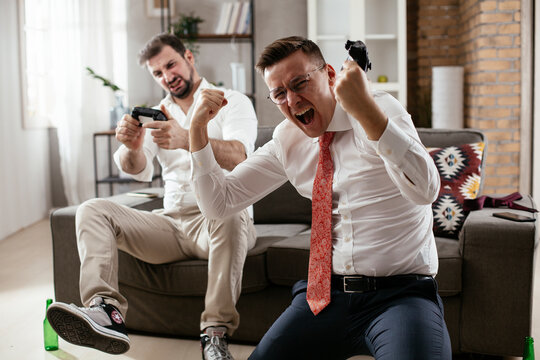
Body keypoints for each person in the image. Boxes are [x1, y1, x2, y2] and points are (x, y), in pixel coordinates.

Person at [188, 36, 451, 359]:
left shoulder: (378, 108)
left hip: (402, 295)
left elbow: (426, 190)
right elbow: (219, 204)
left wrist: (366, 110)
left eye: (300, 83)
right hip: (327, 296)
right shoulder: (287, 139)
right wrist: (197, 131)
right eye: (279, 93)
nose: (293, 100)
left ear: (329, 74)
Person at [47, 33, 258, 360]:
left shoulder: (231, 100)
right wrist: (131, 146)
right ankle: (106, 312)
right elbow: (136, 169)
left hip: (219, 218)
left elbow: (240, 156)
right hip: (171, 225)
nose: (167, 76)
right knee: (92, 209)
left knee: (229, 214)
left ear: (189, 58)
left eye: (171, 65)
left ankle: (214, 334)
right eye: (158, 73)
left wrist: (187, 137)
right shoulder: (156, 113)